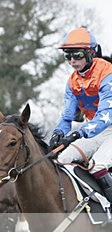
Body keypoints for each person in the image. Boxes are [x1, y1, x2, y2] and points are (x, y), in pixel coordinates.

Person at [48, 27, 112, 204]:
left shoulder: (107, 73)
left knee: (97, 166)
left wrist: (78, 133)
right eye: (68, 56)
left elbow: (106, 114)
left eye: (77, 55)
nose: (72, 61)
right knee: (61, 159)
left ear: (91, 53)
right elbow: (67, 116)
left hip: (107, 126)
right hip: (95, 130)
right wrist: (58, 133)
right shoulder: (72, 81)